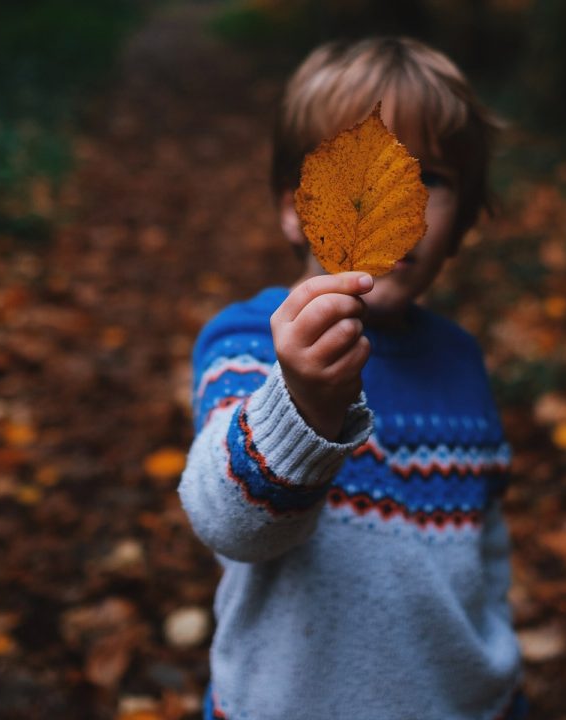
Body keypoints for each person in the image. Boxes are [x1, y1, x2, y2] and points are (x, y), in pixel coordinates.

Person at [179, 36, 526, 720]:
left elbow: (486, 557)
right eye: (352, 172)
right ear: (294, 206)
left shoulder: (461, 361)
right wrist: (303, 404)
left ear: (462, 223)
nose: (398, 202)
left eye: (430, 177)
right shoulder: (251, 343)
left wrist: (498, 681)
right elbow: (231, 524)